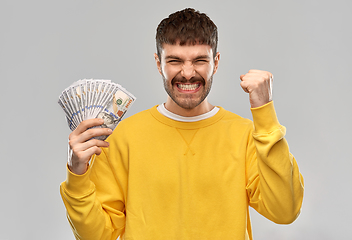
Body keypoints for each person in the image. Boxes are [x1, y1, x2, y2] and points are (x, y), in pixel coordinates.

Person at [60, 8, 304, 240]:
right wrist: (77, 174)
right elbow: (97, 235)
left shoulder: (246, 135)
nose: (188, 73)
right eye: (175, 61)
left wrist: (265, 114)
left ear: (216, 63)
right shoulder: (125, 137)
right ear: (159, 64)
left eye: (199, 60)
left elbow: (285, 210)